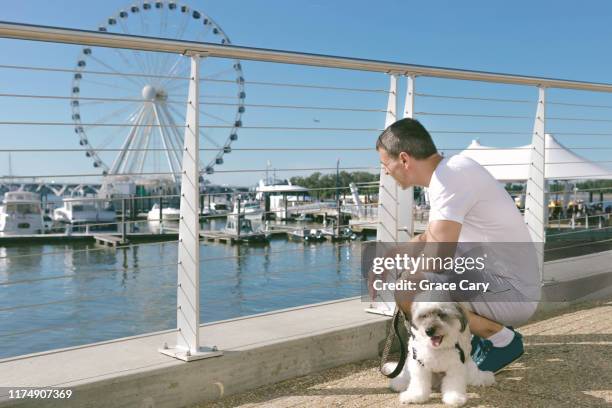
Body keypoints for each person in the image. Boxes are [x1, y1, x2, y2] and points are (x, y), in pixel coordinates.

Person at [375, 118, 541, 372]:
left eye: (385, 164)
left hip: (513, 294)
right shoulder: (450, 171)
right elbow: (432, 237)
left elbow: (437, 258)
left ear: (405, 159)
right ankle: (475, 340)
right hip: (506, 283)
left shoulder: (449, 179)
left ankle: (502, 341)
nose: (385, 171)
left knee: (410, 290)